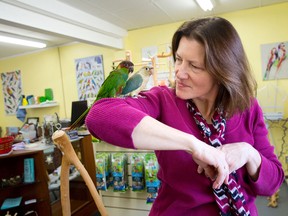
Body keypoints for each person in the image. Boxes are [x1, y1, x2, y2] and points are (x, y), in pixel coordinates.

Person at [86, 17, 284, 216]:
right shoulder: (163, 100)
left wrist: (249, 153)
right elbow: (99, 116)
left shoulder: (247, 108)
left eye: (194, 66)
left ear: (223, 70)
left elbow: (272, 184)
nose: (179, 73)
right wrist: (193, 144)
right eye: (179, 59)